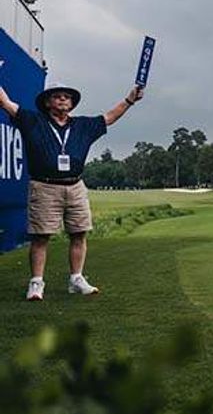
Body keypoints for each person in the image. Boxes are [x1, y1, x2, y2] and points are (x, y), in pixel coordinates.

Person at [0, 82, 144, 301]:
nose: (62, 99)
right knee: (41, 236)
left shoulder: (82, 126)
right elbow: (5, 103)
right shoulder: (33, 121)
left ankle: (76, 279)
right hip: (44, 186)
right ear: (47, 102)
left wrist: (130, 100)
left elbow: (109, 117)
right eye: (57, 96)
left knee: (79, 233)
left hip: (75, 186)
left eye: (66, 96)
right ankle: (36, 283)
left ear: (72, 103)